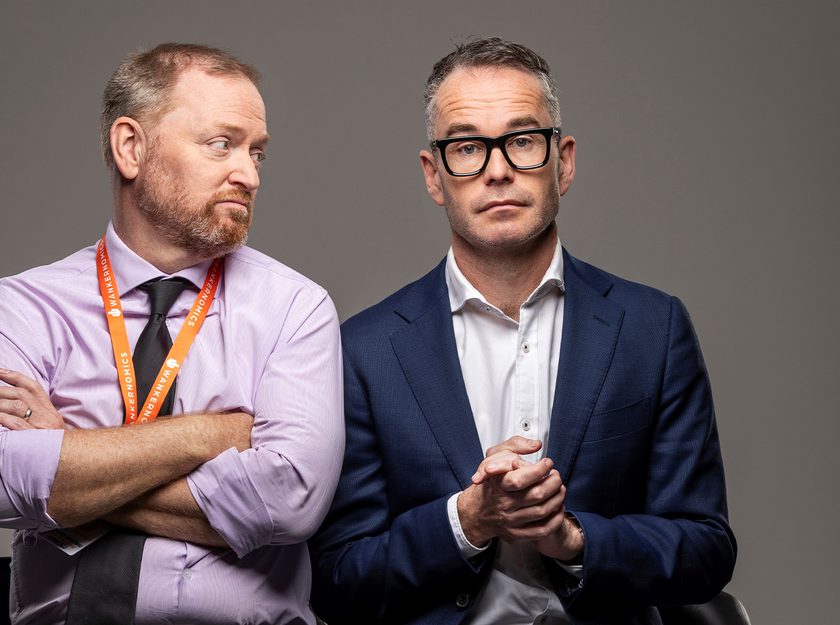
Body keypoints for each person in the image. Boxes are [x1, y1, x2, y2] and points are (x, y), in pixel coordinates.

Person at [310, 38, 736, 625]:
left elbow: (706, 550)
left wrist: (573, 539)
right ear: (434, 176)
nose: (497, 170)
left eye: (522, 140)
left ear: (564, 161)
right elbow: (336, 578)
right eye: (467, 147)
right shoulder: (364, 350)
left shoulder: (653, 330)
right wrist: (467, 521)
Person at [0, 43, 343, 625]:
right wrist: (209, 435)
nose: (248, 174)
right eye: (222, 144)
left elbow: (289, 502)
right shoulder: (21, 307)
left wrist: (71, 457)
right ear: (131, 148)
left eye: (256, 153)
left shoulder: (294, 308)